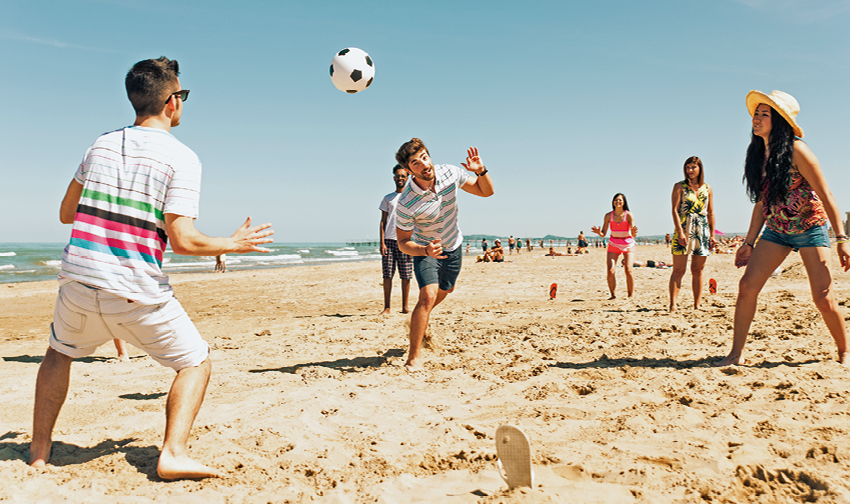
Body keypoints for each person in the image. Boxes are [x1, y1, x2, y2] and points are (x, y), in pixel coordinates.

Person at [29, 57, 274, 479]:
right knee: (196, 362)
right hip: (134, 291)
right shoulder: (182, 158)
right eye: (183, 95)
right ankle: (173, 453)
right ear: (172, 102)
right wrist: (231, 244)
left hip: (78, 280)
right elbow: (184, 240)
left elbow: (67, 213)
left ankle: (37, 452)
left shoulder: (100, 144)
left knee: (58, 354)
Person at [717, 90, 849, 366]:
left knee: (823, 297)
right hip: (776, 231)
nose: (757, 118)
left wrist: (841, 238)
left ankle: (844, 351)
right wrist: (749, 243)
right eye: (756, 113)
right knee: (747, 286)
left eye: (765, 114)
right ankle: (736, 354)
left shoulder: (797, 150)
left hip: (810, 228)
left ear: (779, 121)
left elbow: (826, 195)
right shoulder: (758, 154)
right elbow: (761, 202)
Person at [395, 138, 494, 372]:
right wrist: (424, 250)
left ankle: (421, 319)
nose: (424, 165)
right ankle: (414, 357)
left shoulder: (450, 173)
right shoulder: (406, 202)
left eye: (424, 157)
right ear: (409, 171)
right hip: (425, 248)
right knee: (427, 296)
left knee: (446, 290)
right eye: (415, 163)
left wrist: (481, 172)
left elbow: (486, 192)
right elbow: (402, 242)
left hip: (453, 243)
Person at [669, 156, 715, 312]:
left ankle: (697, 304)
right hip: (684, 227)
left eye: (693, 167)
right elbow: (675, 210)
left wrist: (713, 234)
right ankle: (673, 304)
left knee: (697, 270)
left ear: (700, 168)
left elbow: (710, 212)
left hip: (702, 230)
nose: (690, 170)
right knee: (678, 270)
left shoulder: (707, 188)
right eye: (687, 167)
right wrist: (680, 232)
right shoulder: (679, 186)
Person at [379, 165, 413, 315]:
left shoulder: (411, 197)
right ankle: (387, 307)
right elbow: (383, 222)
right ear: (394, 178)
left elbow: (416, 220)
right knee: (387, 275)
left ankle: (405, 307)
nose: (400, 178)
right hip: (390, 241)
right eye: (397, 176)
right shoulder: (388, 198)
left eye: (403, 176)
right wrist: (382, 243)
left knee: (406, 275)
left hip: (406, 240)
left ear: (408, 178)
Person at [591, 193, 638, 299]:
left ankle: (630, 295)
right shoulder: (608, 216)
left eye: (620, 200)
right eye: (616, 200)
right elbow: (603, 234)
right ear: (613, 202)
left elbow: (633, 234)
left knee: (628, 270)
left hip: (628, 244)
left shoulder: (628, 215)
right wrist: (598, 232)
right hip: (614, 244)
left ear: (624, 202)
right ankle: (613, 294)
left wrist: (634, 232)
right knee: (610, 270)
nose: (618, 202)